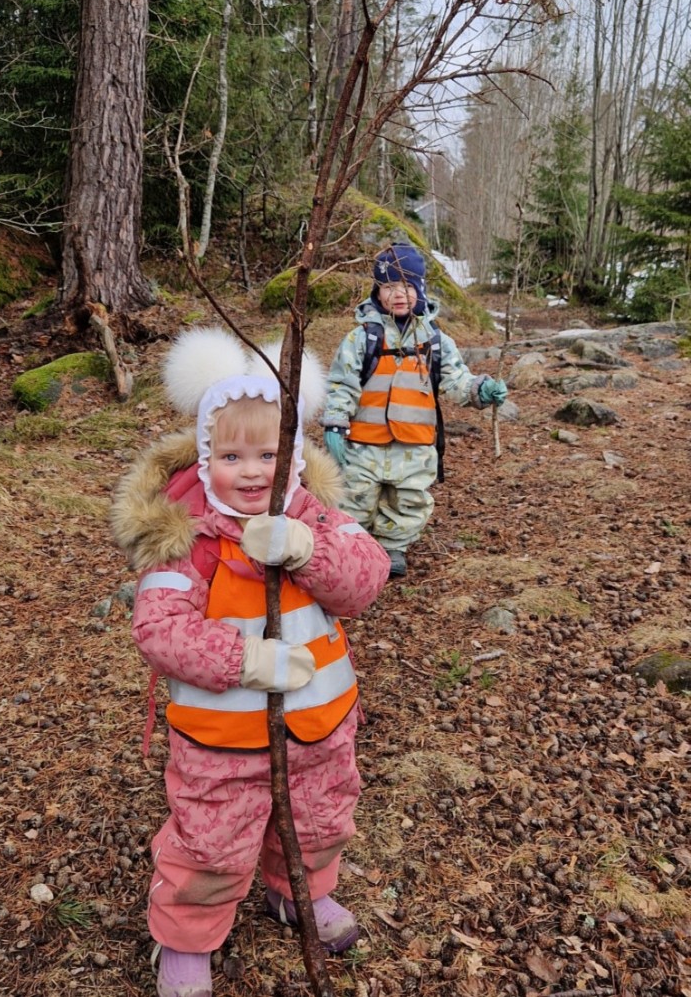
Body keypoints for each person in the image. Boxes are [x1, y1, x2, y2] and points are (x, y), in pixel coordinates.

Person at [110, 329, 390, 997]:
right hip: (221, 739)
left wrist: (305, 550)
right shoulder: (188, 537)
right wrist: (244, 661)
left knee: (320, 818)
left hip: (321, 726)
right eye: (232, 455)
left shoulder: (313, 516)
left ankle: (301, 890)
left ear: (293, 456)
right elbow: (159, 629)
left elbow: (366, 581)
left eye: (269, 453)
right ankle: (184, 942)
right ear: (206, 458)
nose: (254, 469)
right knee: (209, 841)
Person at [321, 243, 507, 578]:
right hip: (365, 442)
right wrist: (335, 423)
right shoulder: (361, 338)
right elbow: (341, 382)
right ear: (377, 291)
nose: (399, 294)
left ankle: (393, 547)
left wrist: (480, 389)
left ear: (420, 289)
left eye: (407, 286)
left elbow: (456, 379)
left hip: (417, 445)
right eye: (389, 286)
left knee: (409, 500)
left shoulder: (435, 340)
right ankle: (354, 544)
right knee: (355, 496)